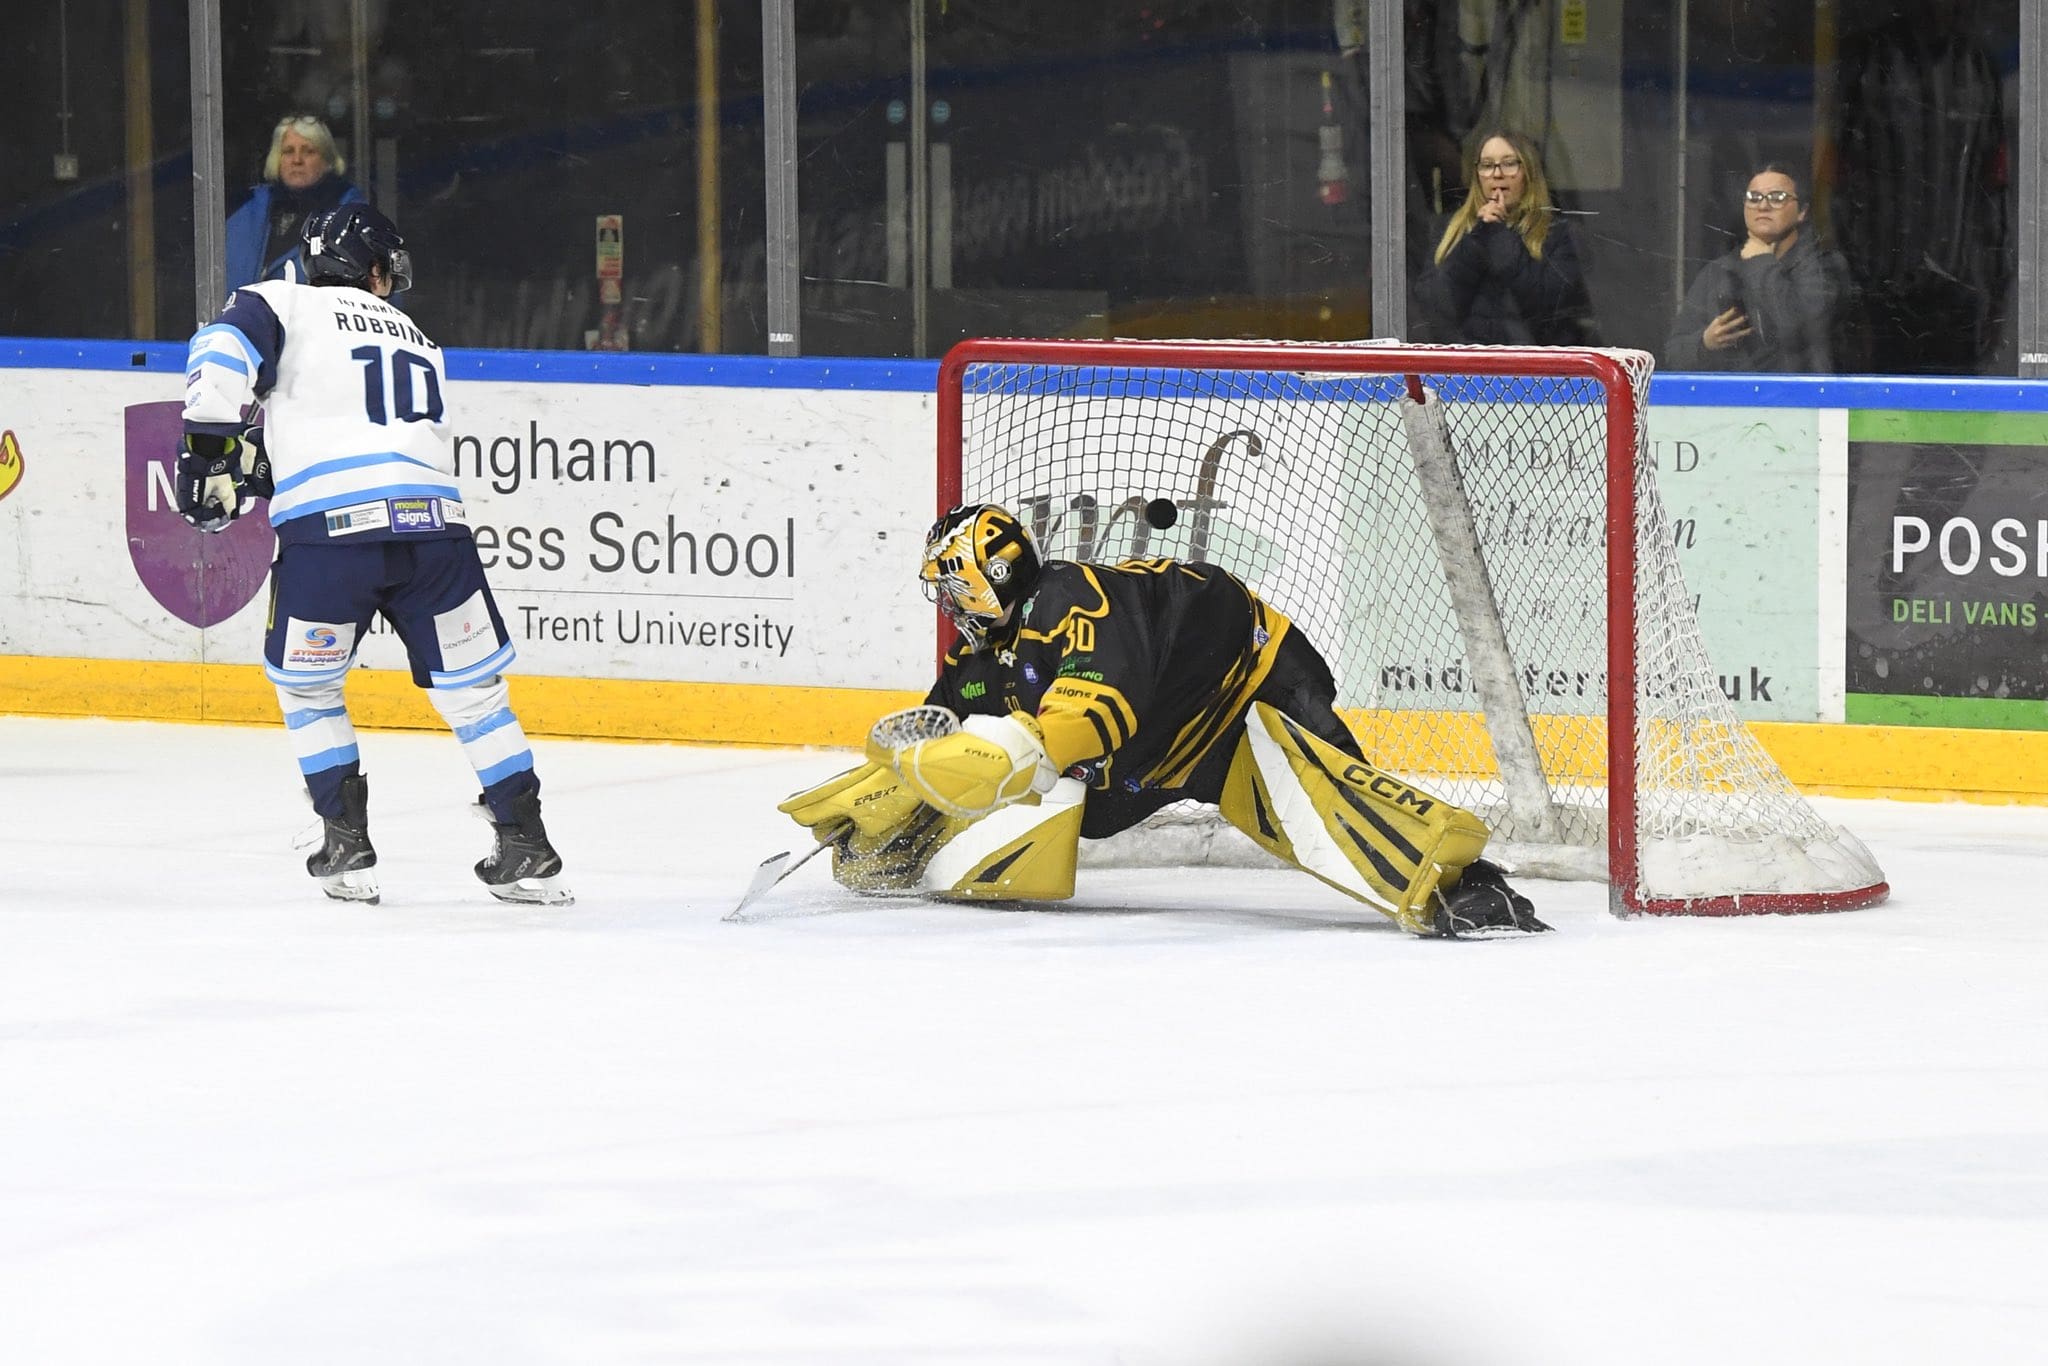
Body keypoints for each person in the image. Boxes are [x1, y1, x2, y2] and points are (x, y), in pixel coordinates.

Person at [775, 505, 1546, 938]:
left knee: (1325, 797)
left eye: (955, 589)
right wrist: (894, 797)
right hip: (1163, 747)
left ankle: (1463, 882)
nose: (948, 607)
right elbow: (940, 728)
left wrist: (1024, 749)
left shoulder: (1067, 596)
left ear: (986, 583)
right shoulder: (993, 652)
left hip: (1249, 682)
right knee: (1076, 805)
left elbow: (1096, 703)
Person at [176, 203, 570, 907]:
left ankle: (347, 846)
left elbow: (220, 351)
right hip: (435, 535)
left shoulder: (282, 301)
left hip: (332, 542)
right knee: (477, 695)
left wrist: (208, 448)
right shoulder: (419, 337)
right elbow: (364, 429)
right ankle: (526, 842)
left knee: (308, 687)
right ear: (375, 270)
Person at [1412, 129, 1599, 347]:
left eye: (1509, 163)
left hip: (1535, 370)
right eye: (1487, 165)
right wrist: (1475, 240)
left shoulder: (1560, 234)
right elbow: (1435, 306)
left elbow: (1545, 308)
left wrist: (1498, 234)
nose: (1497, 174)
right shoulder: (1449, 230)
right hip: (1465, 369)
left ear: (1528, 171)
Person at [1663, 163, 1850, 373]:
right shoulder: (1719, 271)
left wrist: (1760, 260)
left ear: (1802, 212)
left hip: (1802, 400)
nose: (1763, 206)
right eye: (1753, 198)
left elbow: (1799, 329)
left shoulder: (1824, 265)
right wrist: (1705, 342)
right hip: (1735, 400)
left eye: (1777, 197)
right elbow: (1673, 354)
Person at [224, 113, 366, 291]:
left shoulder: (350, 213)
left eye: (309, 151)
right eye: (288, 151)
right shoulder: (248, 209)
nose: (297, 160)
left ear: (327, 160)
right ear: (277, 159)